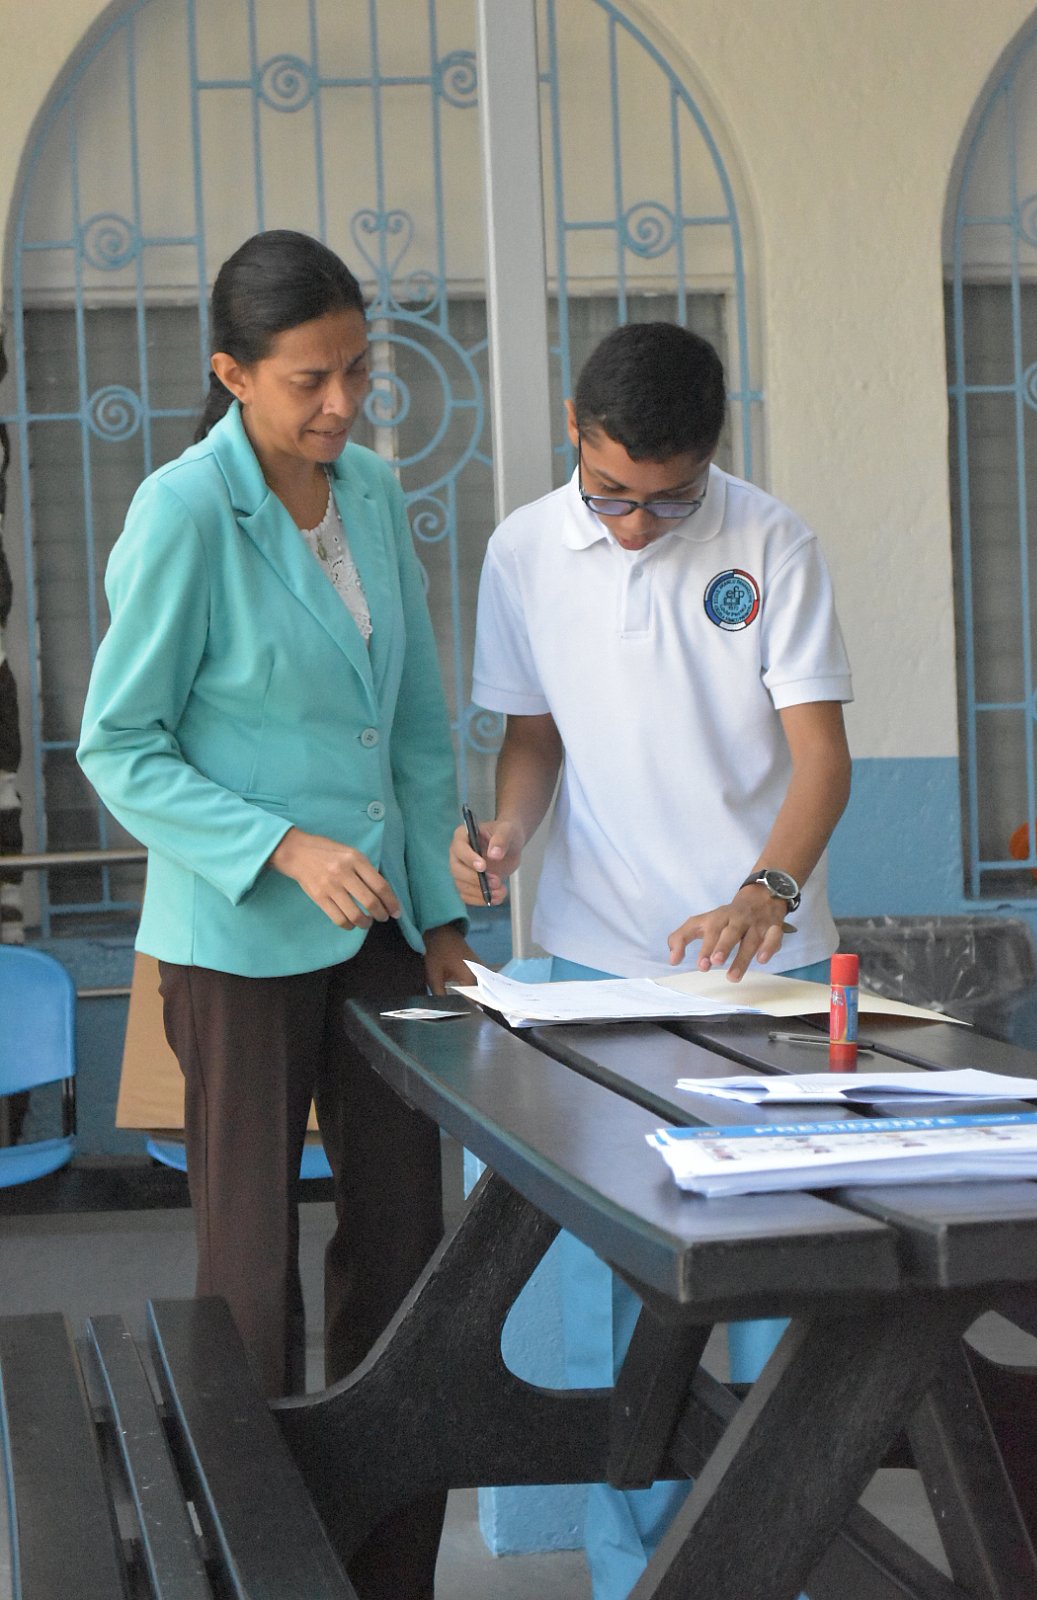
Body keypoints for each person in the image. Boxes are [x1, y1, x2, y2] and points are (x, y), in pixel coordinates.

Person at [78, 228, 475, 1600]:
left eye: (358, 369)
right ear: (233, 373)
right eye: (311, 378)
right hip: (238, 940)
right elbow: (119, 747)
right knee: (250, 1281)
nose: (343, 402)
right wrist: (280, 847)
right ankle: (255, 1566)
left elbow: (409, 723)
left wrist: (441, 921)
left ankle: (388, 1573)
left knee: (407, 1256)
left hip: (384, 934)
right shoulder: (184, 511)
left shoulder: (371, 492)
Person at [450, 320, 852, 1600]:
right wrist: (508, 833)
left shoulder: (770, 541)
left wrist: (761, 892)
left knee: (779, 1270)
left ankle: (771, 1562)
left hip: (762, 973)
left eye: (667, 500)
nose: (634, 526)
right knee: (620, 1278)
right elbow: (532, 738)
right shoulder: (523, 550)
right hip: (593, 965)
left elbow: (820, 756)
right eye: (611, 493)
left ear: (711, 456)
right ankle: (639, 1573)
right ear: (574, 430)